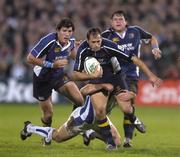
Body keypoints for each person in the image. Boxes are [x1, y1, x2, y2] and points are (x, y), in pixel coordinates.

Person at [71, 27, 162, 149]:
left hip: (115, 78)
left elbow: (135, 59)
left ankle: (133, 118)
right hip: (98, 80)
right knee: (99, 111)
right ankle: (110, 143)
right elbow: (75, 75)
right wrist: (92, 75)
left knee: (126, 108)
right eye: (94, 42)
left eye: (99, 41)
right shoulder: (83, 50)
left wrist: (150, 76)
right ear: (88, 41)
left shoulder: (109, 45)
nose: (97, 44)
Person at [101, 10, 162, 147]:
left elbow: (152, 38)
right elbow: (91, 44)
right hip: (113, 76)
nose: (118, 21)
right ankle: (96, 131)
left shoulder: (136, 31)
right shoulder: (105, 35)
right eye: (115, 19)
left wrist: (155, 48)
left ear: (126, 22)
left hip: (132, 75)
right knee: (105, 110)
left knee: (129, 104)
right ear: (111, 22)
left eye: (120, 19)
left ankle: (128, 140)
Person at [26, 18, 84, 145]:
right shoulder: (48, 41)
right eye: (64, 31)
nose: (67, 34)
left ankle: (74, 125)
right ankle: (45, 135)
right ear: (58, 31)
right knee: (48, 115)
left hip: (58, 75)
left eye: (69, 31)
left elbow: (74, 55)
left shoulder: (71, 42)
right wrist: (52, 65)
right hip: (42, 78)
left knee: (80, 100)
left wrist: (82, 52)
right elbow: (30, 58)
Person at [20, 83, 121, 151]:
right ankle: (29, 128)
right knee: (57, 137)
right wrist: (100, 86)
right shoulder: (100, 80)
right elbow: (83, 90)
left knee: (116, 141)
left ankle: (90, 132)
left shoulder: (119, 84)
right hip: (82, 119)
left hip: (100, 119)